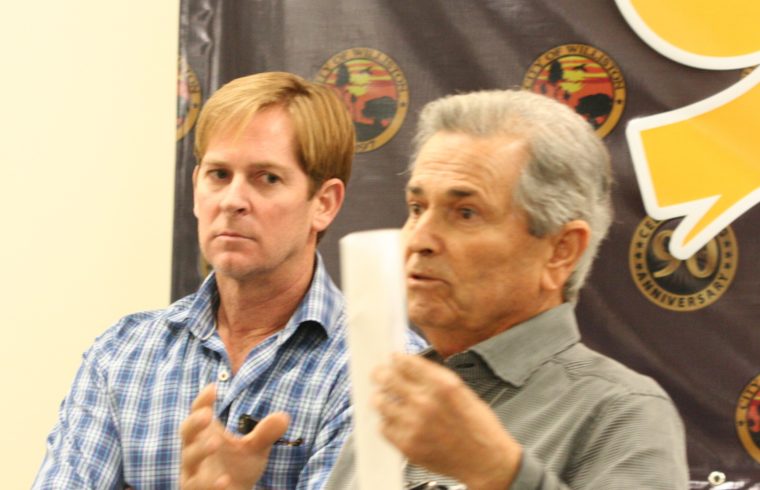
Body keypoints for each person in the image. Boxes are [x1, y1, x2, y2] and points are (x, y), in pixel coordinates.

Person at [33, 71, 425, 489]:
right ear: (196, 185)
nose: (233, 201)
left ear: (323, 204)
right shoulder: (121, 355)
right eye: (219, 175)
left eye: (267, 178)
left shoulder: (383, 368)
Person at [326, 89, 689, 489]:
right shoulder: (393, 397)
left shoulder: (621, 412)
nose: (419, 239)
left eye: (465, 213)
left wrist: (498, 472)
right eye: (416, 208)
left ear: (560, 251)